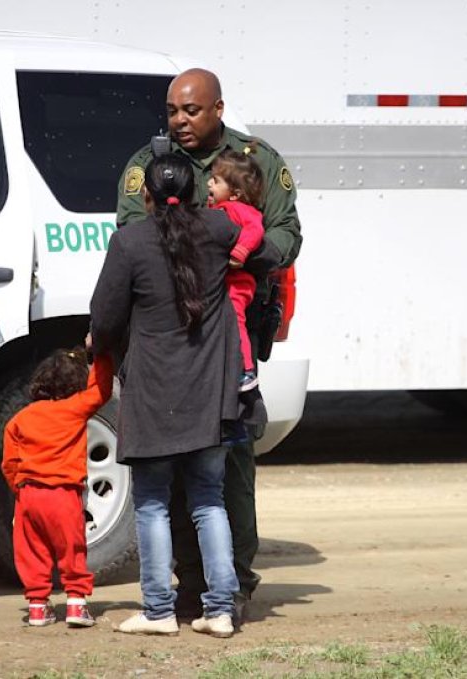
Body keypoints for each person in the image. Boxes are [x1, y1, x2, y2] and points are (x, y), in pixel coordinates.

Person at [116, 68, 303, 623]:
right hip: (169, 339)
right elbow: (133, 234)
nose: (180, 120)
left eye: (191, 110)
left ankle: (234, 583)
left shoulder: (255, 160)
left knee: (229, 466)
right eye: (172, 111)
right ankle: (191, 583)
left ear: (218, 109)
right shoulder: (149, 165)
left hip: (229, 338)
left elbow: (286, 235)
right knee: (168, 470)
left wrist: (236, 252)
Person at [91, 154, 278, 638]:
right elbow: (269, 253)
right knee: (209, 499)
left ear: (146, 196)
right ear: (195, 192)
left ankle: (158, 611)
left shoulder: (130, 241)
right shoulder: (217, 229)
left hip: (153, 394)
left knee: (152, 503)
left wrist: (99, 342)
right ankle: (220, 610)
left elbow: (105, 319)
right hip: (210, 394)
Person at [2, 347, 114, 628]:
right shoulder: (75, 409)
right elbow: (101, 390)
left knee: (31, 551)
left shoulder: (21, 418)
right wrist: (101, 355)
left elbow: (9, 463)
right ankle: (76, 604)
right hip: (63, 494)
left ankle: (38, 607)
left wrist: (19, 491)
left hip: (29, 494)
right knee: (71, 549)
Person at [207, 148, 265, 391]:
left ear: (235, 194)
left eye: (216, 180)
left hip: (237, 283)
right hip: (222, 281)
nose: (209, 183)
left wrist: (240, 251)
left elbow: (255, 229)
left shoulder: (240, 210)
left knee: (235, 321)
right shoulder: (217, 209)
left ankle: (246, 370)